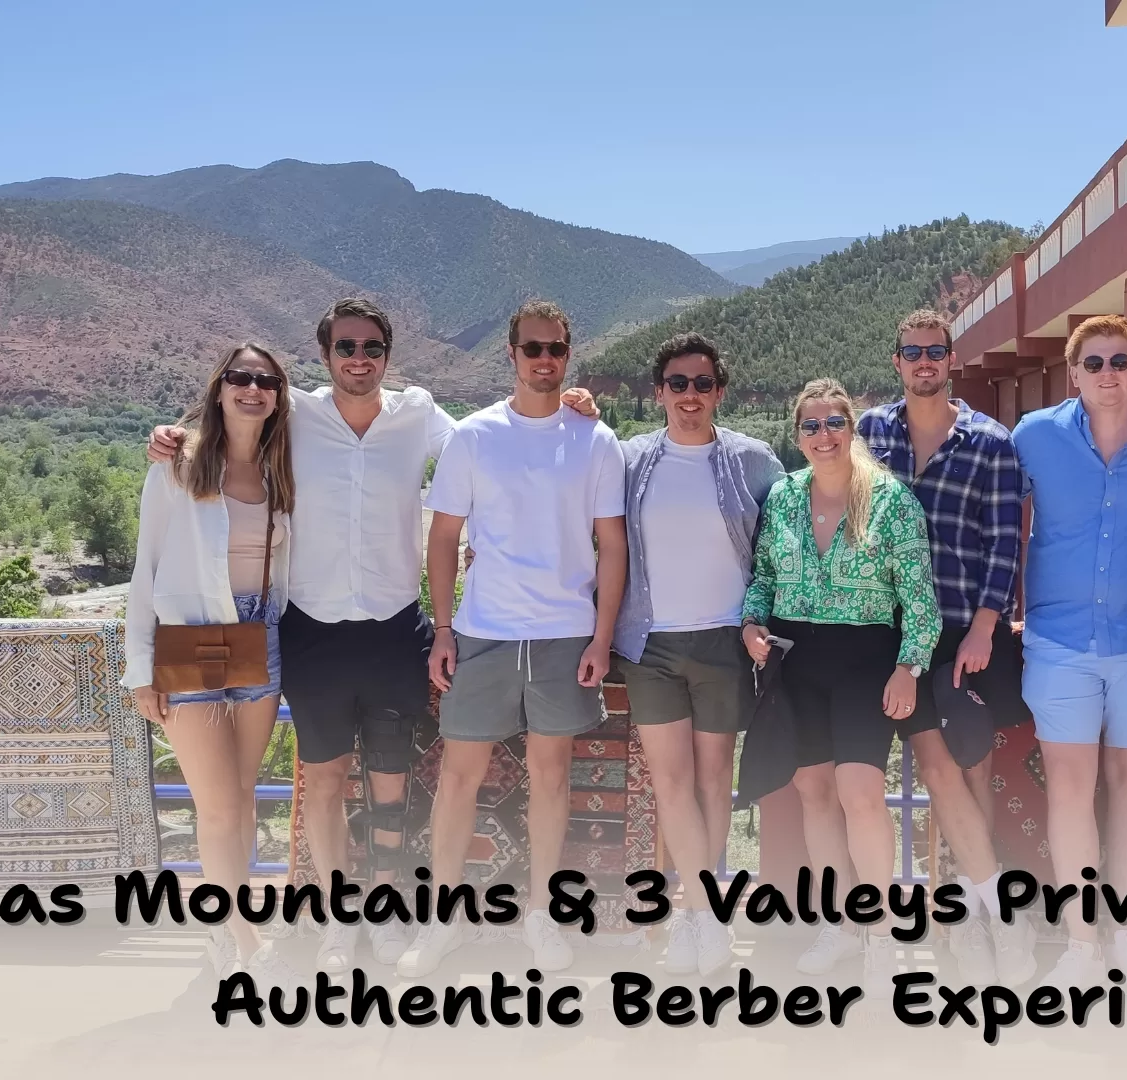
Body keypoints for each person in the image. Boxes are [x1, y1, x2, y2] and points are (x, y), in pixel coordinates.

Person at [147, 298, 596, 973]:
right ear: (325, 354)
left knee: (392, 782)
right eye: (346, 347)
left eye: (373, 348)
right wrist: (172, 436)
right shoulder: (293, 415)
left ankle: (384, 917)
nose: (360, 358)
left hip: (393, 631)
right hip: (312, 632)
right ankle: (334, 924)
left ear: (388, 355)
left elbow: (500, 448)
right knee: (323, 781)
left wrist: (568, 405)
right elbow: (230, 429)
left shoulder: (420, 416)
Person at [400, 300, 628, 977]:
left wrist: (601, 637)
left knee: (551, 779)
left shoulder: (597, 441)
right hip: (484, 634)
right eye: (532, 348)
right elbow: (443, 539)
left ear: (568, 352)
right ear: (511, 353)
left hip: (564, 636)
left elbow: (611, 547)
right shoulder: (474, 437)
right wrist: (443, 627)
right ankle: (442, 922)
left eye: (556, 348)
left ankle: (541, 920)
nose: (545, 359)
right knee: (458, 780)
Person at [857, 308, 1036, 987]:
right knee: (923, 773)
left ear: (951, 359)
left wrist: (991, 625)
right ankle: (987, 918)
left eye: (935, 351)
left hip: (964, 631)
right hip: (891, 633)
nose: (924, 361)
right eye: (913, 352)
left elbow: (1003, 543)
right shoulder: (870, 434)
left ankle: (972, 920)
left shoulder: (991, 442)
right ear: (896, 360)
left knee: (967, 772)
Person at [1012, 313, 1127, 991]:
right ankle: (1082, 946)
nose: (1107, 374)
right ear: (1073, 372)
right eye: (1094, 363)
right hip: (1057, 641)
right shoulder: (1035, 437)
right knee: (1070, 787)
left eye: (1120, 361)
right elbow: (999, 521)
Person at [741, 378, 939, 987]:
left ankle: (880, 936)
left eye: (834, 423)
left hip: (864, 663)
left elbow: (920, 600)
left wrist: (908, 667)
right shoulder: (781, 497)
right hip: (797, 661)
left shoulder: (890, 500)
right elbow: (764, 578)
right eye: (811, 426)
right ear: (797, 435)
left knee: (859, 795)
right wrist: (751, 622)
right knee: (815, 796)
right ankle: (839, 925)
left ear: (852, 429)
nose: (823, 436)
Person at [125, 343, 298, 986]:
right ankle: (246, 937)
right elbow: (144, 566)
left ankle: (228, 926)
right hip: (187, 641)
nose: (252, 389)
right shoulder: (178, 465)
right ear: (220, 388)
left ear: (279, 395)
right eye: (240, 378)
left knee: (244, 797)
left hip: (258, 637)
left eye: (266, 381)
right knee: (218, 804)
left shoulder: (282, 468)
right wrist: (140, 670)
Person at [614, 332, 783, 976]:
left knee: (715, 779)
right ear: (658, 392)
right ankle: (698, 912)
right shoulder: (628, 459)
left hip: (724, 642)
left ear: (720, 392)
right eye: (678, 384)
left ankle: (701, 913)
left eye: (703, 384)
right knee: (672, 781)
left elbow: (776, 550)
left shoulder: (754, 461)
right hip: (649, 643)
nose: (691, 396)